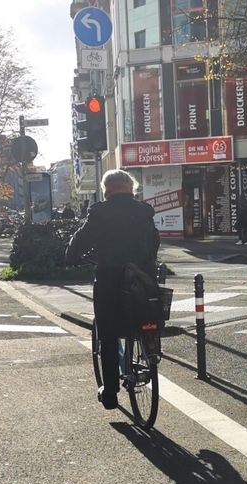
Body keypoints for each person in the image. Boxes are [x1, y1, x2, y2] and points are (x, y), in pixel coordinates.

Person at [66, 169, 160, 410]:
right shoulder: (144, 211)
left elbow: (80, 242)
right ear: (131, 188)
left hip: (110, 281)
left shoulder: (99, 212)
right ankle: (151, 352)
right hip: (142, 279)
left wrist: (71, 256)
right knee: (147, 317)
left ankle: (110, 392)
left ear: (106, 189)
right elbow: (154, 242)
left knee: (107, 334)